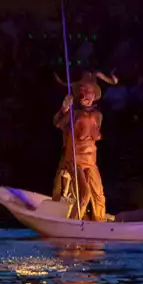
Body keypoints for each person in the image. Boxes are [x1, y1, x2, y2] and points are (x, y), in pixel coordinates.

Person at [51, 71, 113, 221]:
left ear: (94, 95)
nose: (85, 96)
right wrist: (64, 108)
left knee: (99, 195)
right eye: (82, 92)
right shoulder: (74, 113)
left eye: (89, 92)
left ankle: (99, 223)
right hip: (75, 160)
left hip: (91, 162)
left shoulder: (98, 115)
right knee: (84, 194)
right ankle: (73, 224)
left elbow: (95, 134)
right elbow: (58, 123)